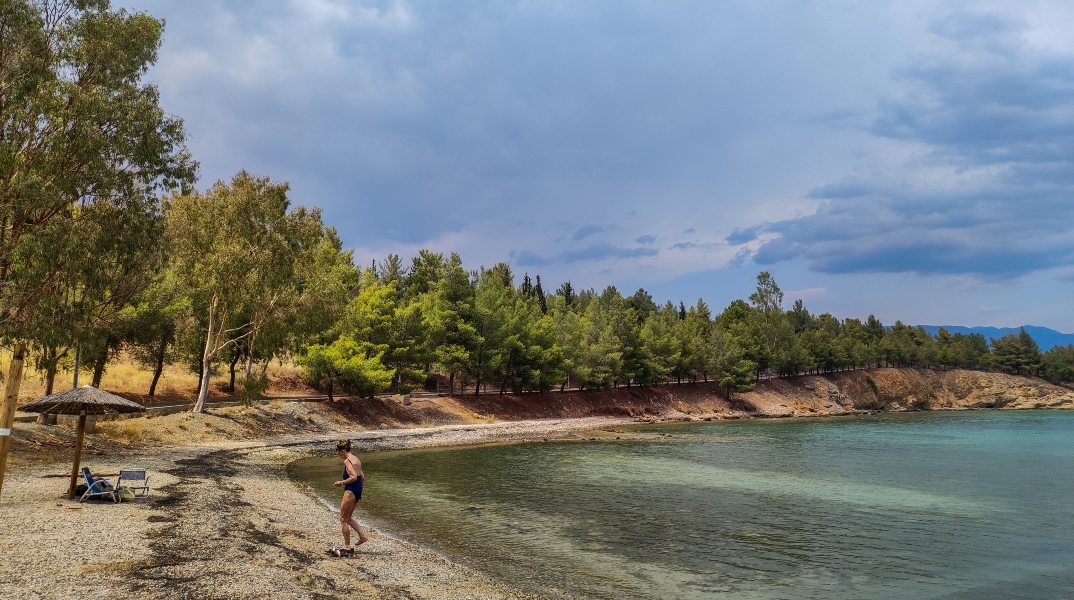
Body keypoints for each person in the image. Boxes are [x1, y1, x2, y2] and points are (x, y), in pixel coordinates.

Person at [329, 438, 369, 557]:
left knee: (343, 519)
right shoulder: (356, 459)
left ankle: (346, 547)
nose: (339, 455)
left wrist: (341, 482)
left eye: (339, 452)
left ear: (344, 450)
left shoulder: (347, 461)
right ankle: (363, 536)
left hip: (351, 490)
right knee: (349, 518)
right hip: (357, 491)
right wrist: (359, 495)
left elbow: (354, 477)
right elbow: (362, 477)